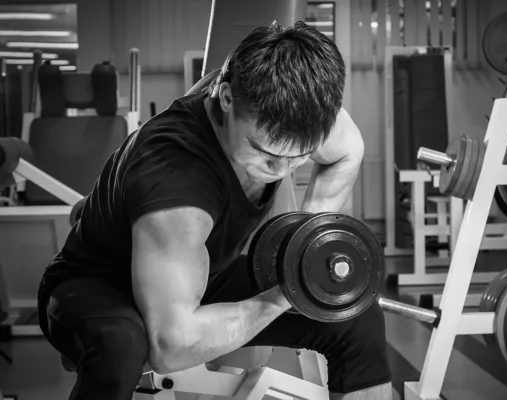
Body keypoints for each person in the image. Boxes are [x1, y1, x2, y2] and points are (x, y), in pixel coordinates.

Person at [37, 21, 392, 399]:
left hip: (199, 273)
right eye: (266, 153)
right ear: (225, 98)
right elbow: (171, 347)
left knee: (353, 314)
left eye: (299, 157)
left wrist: (303, 245)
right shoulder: (175, 179)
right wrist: (292, 290)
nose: (282, 170)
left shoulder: (296, 112)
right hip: (95, 286)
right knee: (120, 344)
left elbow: (347, 150)